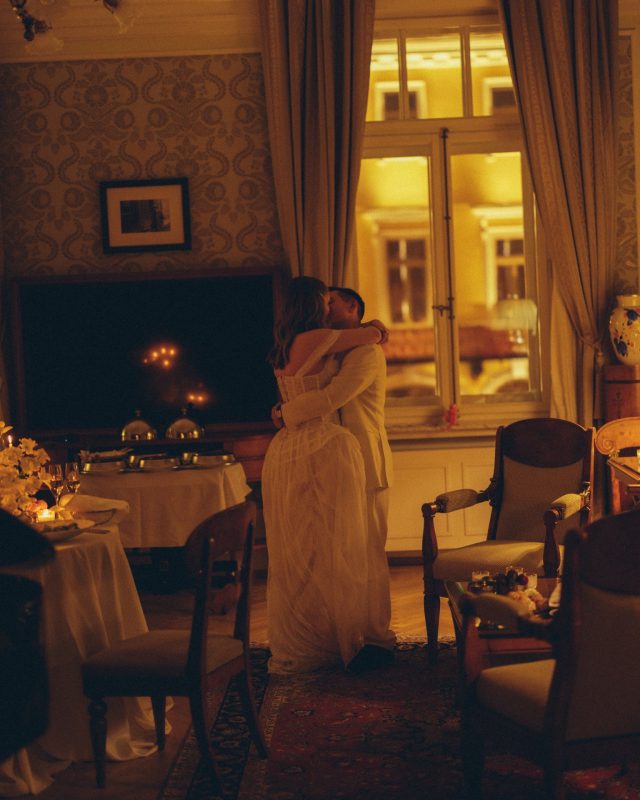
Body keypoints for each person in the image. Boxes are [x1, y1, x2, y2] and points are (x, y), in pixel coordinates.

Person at [262, 276, 387, 674]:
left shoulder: (294, 344)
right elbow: (371, 338)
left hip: (310, 449)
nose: (328, 306)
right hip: (322, 448)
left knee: (340, 546)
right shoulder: (324, 339)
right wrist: (378, 328)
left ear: (352, 307)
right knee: (323, 546)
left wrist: (284, 413)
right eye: (324, 300)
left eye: (334, 301)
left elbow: (329, 391)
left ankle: (365, 633)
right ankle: (331, 634)